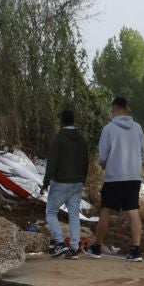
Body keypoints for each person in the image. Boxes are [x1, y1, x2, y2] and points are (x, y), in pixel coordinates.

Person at [92, 96, 144, 261]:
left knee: (106, 210)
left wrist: (106, 165)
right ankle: (136, 251)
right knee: (133, 211)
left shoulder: (108, 129)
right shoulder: (137, 128)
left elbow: (102, 156)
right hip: (133, 177)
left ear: (114, 109)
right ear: (126, 108)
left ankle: (96, 248)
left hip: (114, 177)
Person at [42, 109, 88, 259]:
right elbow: (86, 161)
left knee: (51, 212)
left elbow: (52, 163)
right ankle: (74, 249)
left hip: (61, 183)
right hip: (77, 183)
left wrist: (45, 182)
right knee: (74, 215)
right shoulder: (81, 139)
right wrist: (83, 179)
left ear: (61, 121)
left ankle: (60, 243)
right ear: (73, 121)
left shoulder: (58, 138)